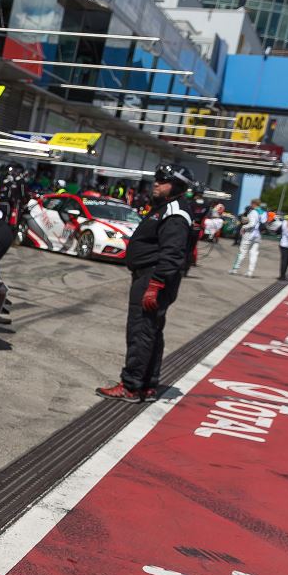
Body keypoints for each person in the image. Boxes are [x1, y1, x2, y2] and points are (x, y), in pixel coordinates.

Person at [97, 166, 195, 402]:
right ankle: (147, 385)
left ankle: (131, 386)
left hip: (154, 278)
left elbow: (173, 253)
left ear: (177, 186)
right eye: (156, 179)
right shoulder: (165, 207)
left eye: (163, 180)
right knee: (150, 332)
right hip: (150, 276)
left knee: (140, 331)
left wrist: (155, 284)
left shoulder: (175, 212)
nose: (156, 183)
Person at [230, 199, 264, 277]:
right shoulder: (263, 213)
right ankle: (250, 272)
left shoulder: (253, 212)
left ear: (254, 204)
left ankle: (235, 269)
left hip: (249, 234)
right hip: (257, 235)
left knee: (242, 252)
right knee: (254, 253)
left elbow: (252, 224)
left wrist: (244, 227)